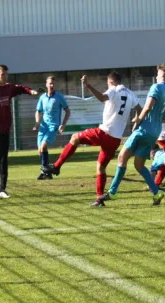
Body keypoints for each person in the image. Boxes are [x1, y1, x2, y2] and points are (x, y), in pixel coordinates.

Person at [98, 63, 165, 207]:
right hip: (154, 133)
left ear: (162, 75)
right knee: (139, 165)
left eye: (158, 73)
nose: (156, 76)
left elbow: (148, 107)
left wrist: (138, 120)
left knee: (122, 157)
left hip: (144, 130)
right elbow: (164, 118)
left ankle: (112, 192)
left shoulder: (156, 87)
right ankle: (156, 192)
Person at [41, 72, 141, 205]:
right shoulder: (130, 93)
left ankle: (57, 166)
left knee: (75, 137)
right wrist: (137, 120)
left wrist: (88, 85)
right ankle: (99, 199)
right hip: (116, 139)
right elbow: (140, 109)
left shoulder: (113, 89)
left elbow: (102, 97)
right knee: (101, 167)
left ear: (110, 82)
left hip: (105, 132)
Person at [0, 64, 40, 199]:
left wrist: (31, 92)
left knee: (4, 159)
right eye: (3, 74)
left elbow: (21, 88)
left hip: (6, 128)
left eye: (6, 74)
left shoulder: (9, 87)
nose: (5, 77)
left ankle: (3, 189)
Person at [34, 76, 71, 180]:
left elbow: (68, 111)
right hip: (43, 126)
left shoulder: (59, 97)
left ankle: (46, 170)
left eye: (53, 84)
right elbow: (38, 111)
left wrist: (63, 124)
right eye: (50, 83)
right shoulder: (42, 98)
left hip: (53, 126)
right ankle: (45, 173)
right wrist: (37, 123)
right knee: (40, 150)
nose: (52, 85)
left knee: (44, 146)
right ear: (46, 84)